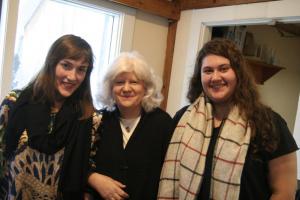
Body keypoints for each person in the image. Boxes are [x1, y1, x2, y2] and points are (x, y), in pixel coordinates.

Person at [158, 38, 298, 200]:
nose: (215, 77)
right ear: (200, 77)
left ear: (238, 73)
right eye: (208, 71)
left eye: (224, 69)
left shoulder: (268, 122)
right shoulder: (183, 119)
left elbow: (284, 192)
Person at [0, 34, 101, 199]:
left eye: (81, 69)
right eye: (66, 65)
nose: (73, 76)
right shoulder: (14, 102)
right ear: (52, 64)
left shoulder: (90, 118)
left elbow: (86, 169)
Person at [86, 51, 173, 200]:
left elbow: (171, 173)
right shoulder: (97, 121)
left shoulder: (163, 123)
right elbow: (78, 162)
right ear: (110, 88)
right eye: (119, 82)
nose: (126, 89)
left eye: (134, 82)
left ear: (145, 87)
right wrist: (93, 178)